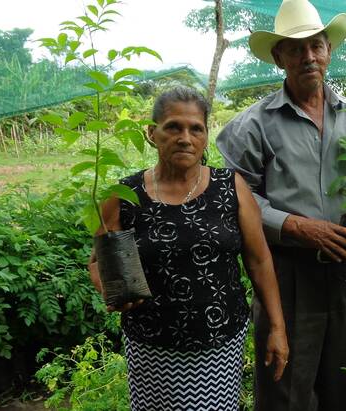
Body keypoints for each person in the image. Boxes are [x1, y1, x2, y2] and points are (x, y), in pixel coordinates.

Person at [216, 1, 346, 409]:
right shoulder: (253, 124)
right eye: (296, 48)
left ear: (329, 51)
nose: (308, 56)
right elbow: (237, 197)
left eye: (316, 45)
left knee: (344, 382)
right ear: (279, 58)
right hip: (286, 273)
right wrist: (296, 226)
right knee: (285, 387)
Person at [87, 86, 289, 410]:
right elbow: (99, 259)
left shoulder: (230, 188)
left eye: (196, 129)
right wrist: (111, 288)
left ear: (206, 136)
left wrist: (278, 327)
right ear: (152, 133)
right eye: (173, 127)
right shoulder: (124, 194)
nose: (185, 138)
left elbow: (259, 261)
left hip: (220, 344)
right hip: (152, 347)